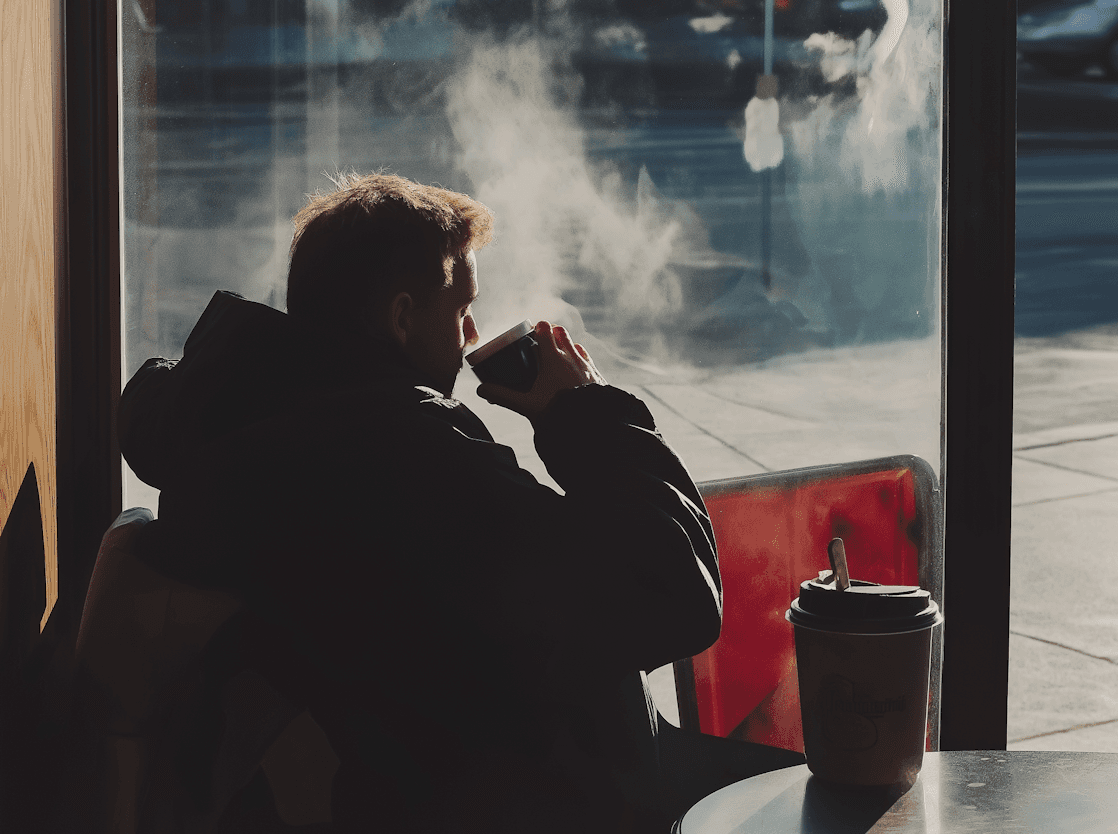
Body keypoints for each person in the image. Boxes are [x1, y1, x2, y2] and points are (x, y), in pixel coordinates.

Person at [119, 173, 802, 833]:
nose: (472, 337)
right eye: (461, 309)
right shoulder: (402, 461)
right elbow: (672, 592)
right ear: (403, 317)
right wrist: (586, 415)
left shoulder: (255, 433)